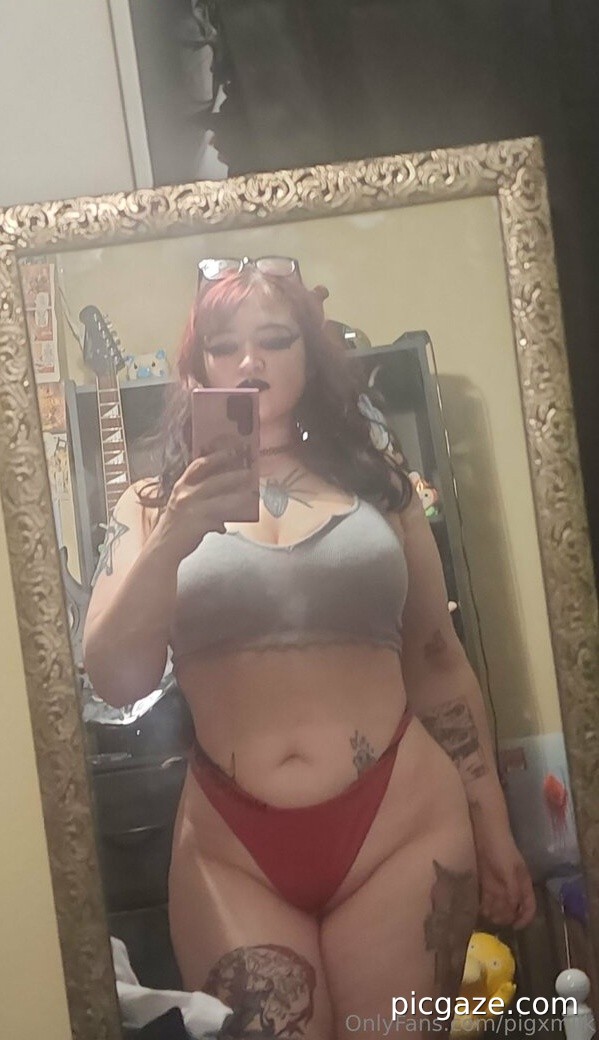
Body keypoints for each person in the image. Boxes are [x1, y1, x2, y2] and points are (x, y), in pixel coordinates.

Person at [83, 256, 536, 1040]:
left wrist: (491, 820)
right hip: (230, 849)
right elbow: (117, 679)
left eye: (274, 339)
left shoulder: (379, 484)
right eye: (224, 345)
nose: (248, 361)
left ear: (309, 354)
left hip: (403, 824)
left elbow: (436, 657)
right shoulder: (150, 506)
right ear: (196, 368)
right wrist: (177, 533)